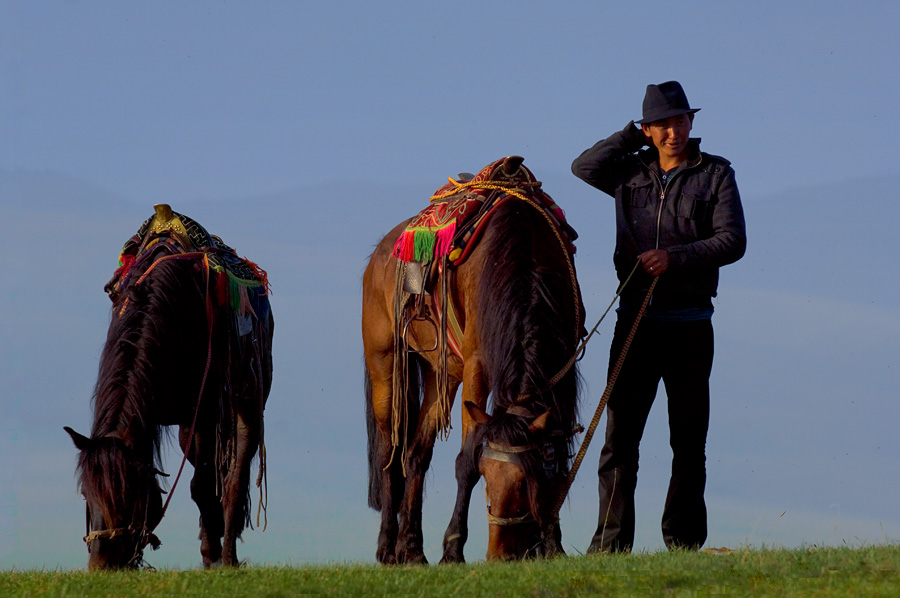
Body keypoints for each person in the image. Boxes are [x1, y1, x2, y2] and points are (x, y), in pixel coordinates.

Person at [571, 81, 746, 552]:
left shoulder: (717, 175)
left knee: (688, 442)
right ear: (648, 129)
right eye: (662, 124)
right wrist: (629, 136)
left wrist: (676, 256)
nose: (674, 132)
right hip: (636, 323)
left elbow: (733, 241)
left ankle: (685, 544)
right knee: (619, 440)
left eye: (681, 121)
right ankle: (609, 547)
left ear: (692, 123)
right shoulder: (628, 173)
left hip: (691, 325)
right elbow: (582, 166)